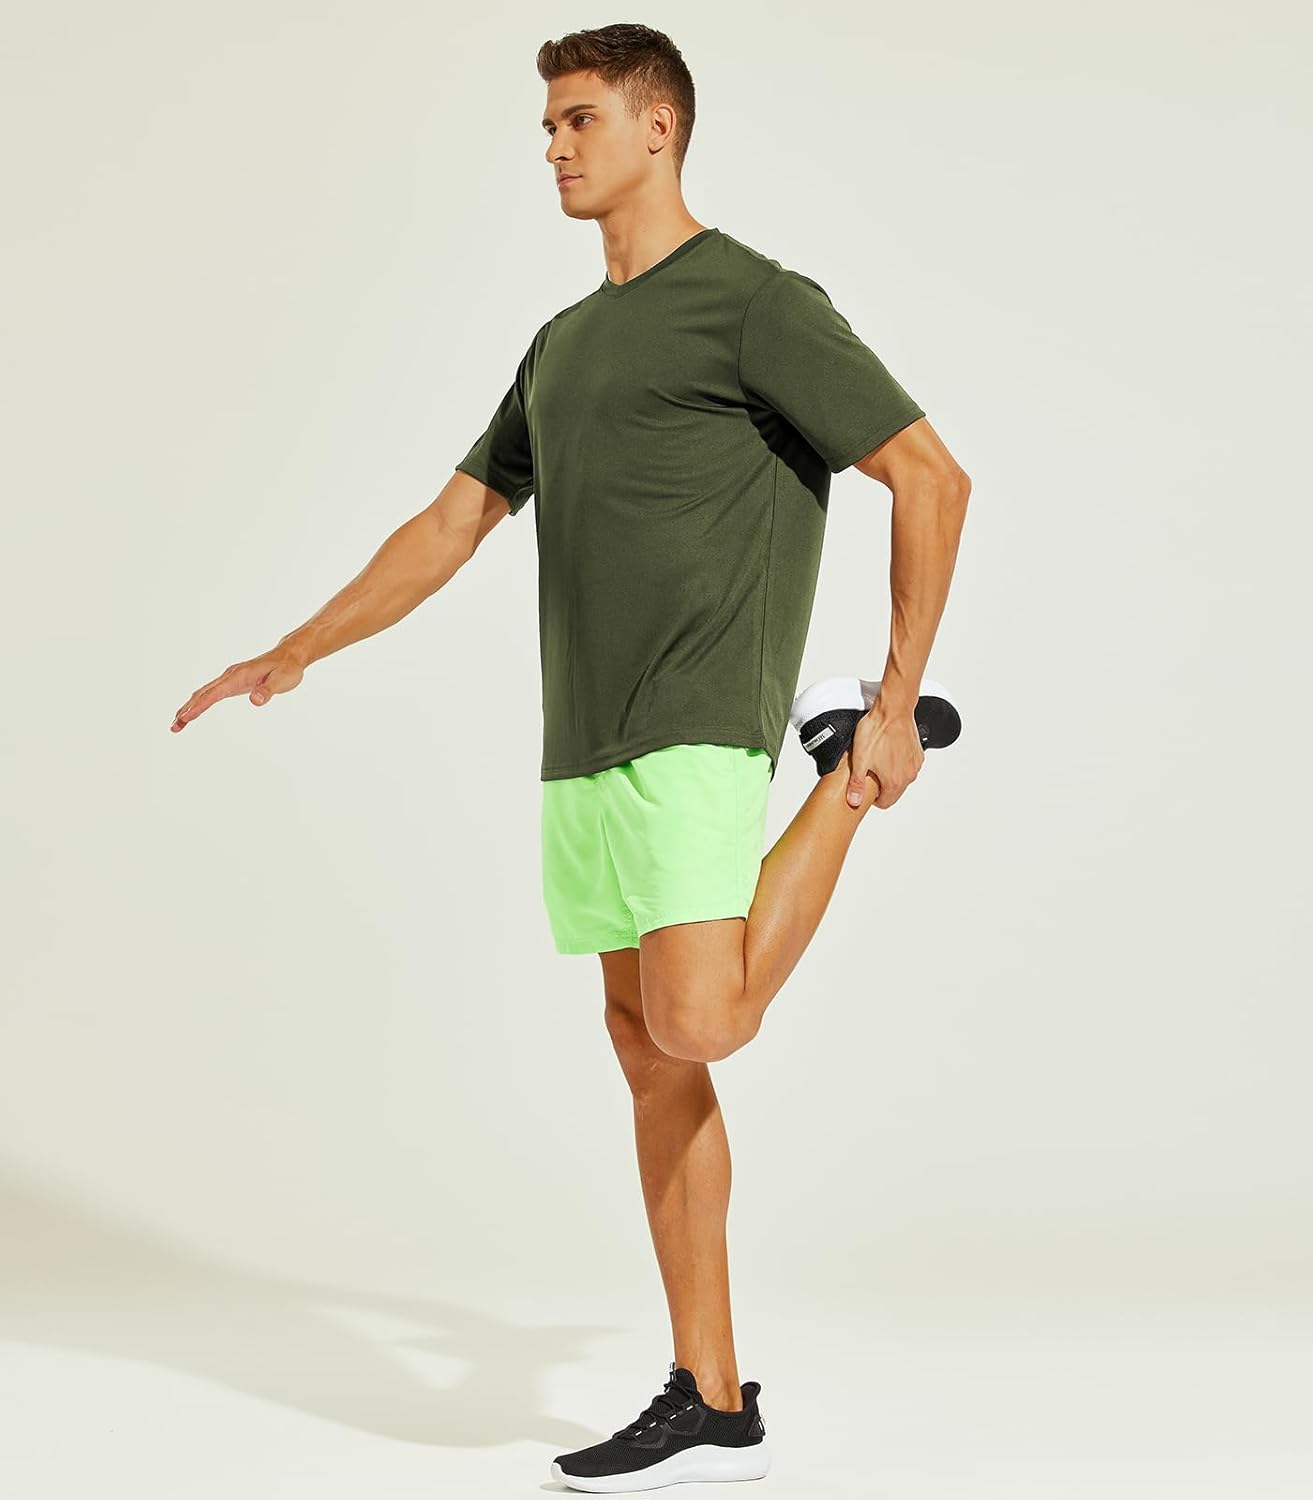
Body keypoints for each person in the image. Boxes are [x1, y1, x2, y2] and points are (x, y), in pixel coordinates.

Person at [170, 22, 970, 1493]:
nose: (552, 146)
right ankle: (709, 1395)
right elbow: (453, 522)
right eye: (546, 124)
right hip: (582, 741)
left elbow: (927, 472)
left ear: (658, 128)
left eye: (579, 119)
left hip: (697, 715)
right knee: (648, 1056)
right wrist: (297, 647)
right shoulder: (562, 345)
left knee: (703, 1021)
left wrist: (895, 692)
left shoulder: (754, 302)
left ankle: (857, 761)